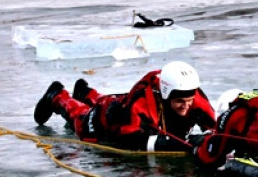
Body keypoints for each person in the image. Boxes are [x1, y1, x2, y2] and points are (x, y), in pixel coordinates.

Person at [33, 61, 215, 152]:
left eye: (189, 101)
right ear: (166, 94)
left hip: (121, 102)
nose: (186, 106)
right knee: (80, 118)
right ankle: (57, 96)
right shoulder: (141, 104)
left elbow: (214, 129)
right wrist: (175, 143)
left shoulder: (195, 97)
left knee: (112, 99)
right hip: (109, 119)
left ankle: (85, 93)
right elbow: (131, 140)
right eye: (180, 102)